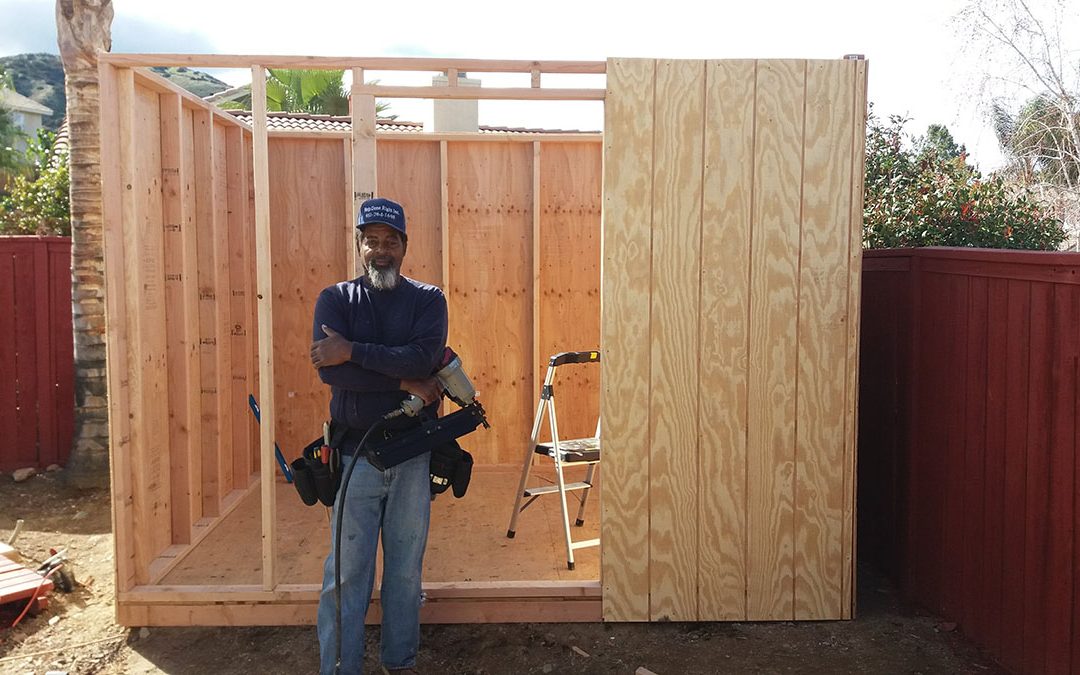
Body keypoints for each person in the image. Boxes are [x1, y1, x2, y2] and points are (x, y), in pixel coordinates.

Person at [309, 197, 448, 675]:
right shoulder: (335, 300)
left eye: (391, 241)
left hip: (412, 457)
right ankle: (341, 668)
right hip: (353, 459)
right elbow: (332, 376)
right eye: (372, 241)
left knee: (405, 575)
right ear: (359, 245)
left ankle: (400, 663)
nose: (381, 250)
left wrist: (351, 351)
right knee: (346, 576)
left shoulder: (428, 300)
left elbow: (423, 360)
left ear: (405, 247)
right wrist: (403, 381)